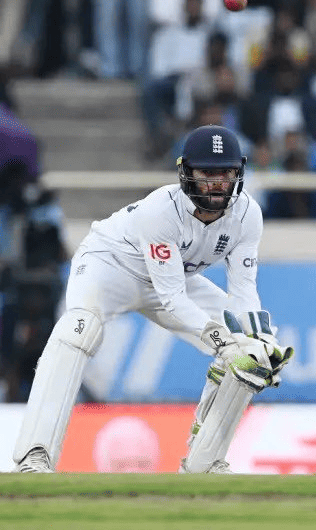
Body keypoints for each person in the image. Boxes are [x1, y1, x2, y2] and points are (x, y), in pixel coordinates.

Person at [14, 125, 293, 473]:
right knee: (77, 330)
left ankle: (204, 464)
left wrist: (254, 340)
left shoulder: (248, 215)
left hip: (173, 276)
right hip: (111, 266)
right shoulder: (160, 211)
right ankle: (35, 454)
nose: (217, 183)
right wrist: (224, 343)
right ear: (186, 173)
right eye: (207, 173)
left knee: (254, 351)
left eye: (226, 173)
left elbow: (243, 293)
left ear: (239, 173)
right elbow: (172, 299)